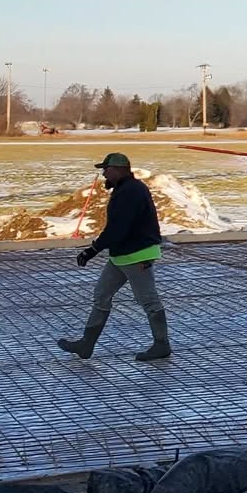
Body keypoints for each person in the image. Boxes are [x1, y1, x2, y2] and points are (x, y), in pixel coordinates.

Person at [58, 152, 173, 361]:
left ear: (119, 170)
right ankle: (86, 345)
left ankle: (161, 344)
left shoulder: (131, 192)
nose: (104, 174)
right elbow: (117, 230)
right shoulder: (124, 189)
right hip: (122, 255)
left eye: (107, 169)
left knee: (148, 300)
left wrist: (92, 250)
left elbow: (117, 229)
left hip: (138, 255)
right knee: (102, 295)